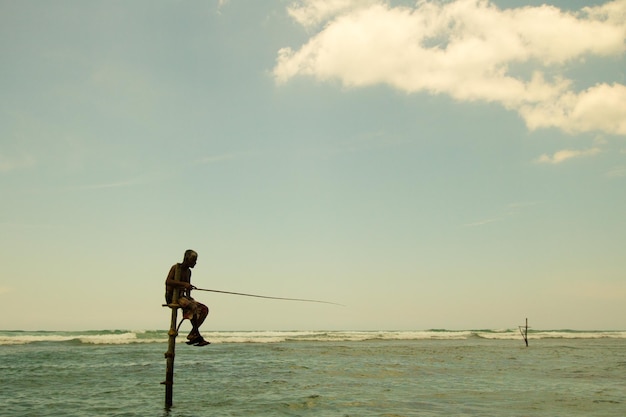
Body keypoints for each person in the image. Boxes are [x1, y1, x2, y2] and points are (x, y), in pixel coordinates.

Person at [165, 249, 210, 346]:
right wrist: (184, 284)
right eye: (193, 260)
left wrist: (189, 291)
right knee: (193, 306)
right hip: (172, 297)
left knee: (204, 309)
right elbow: (168, 281)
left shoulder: (188, 272)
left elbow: (187, 288)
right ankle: (196, 335)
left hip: (182, 296)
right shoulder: (176, 268)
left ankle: (193, 333)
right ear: (186, 259)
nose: (195, 263)